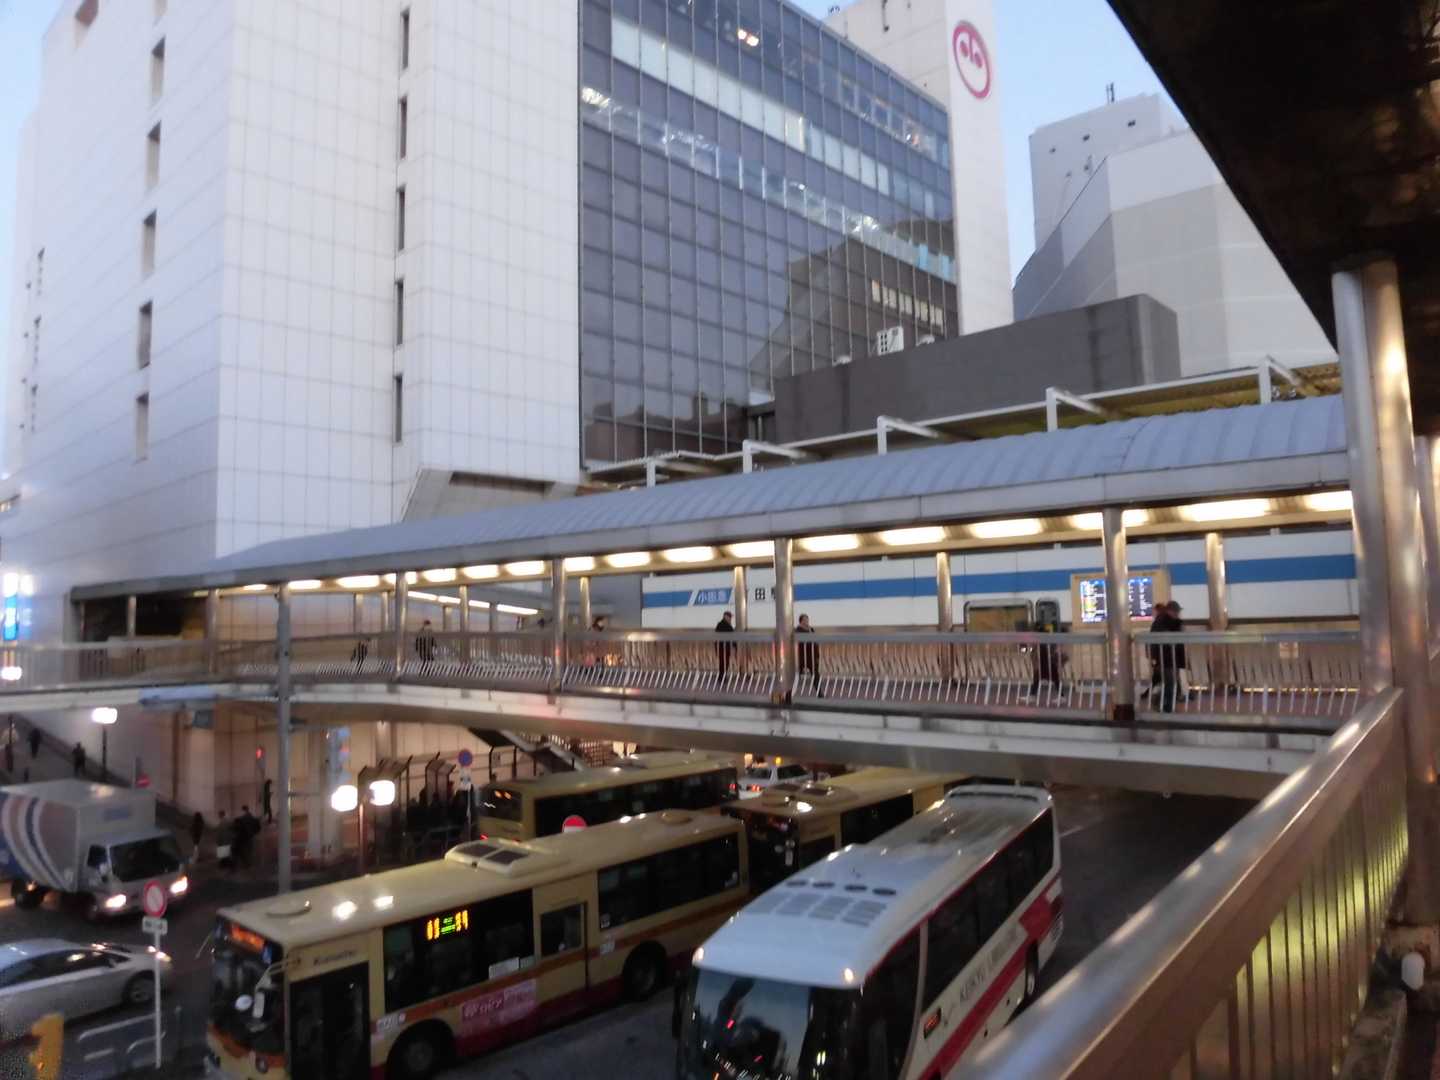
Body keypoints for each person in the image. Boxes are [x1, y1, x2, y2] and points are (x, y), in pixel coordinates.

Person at [1157, 600, 1187, 713]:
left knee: (1169, 682)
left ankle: (1166, 704)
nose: (1178, 614)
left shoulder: (1165, 622)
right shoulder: (1165, 622)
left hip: (1168, 657)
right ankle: (1166, 706)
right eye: (1176, 611)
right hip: (1167, 658)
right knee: (1169, 682)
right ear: (1170, 611)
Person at [796, 614, 822, 696]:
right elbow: (802, 641)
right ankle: (789, 693)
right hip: (803, 656)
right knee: (797, 674)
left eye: (807, 620)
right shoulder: (798, 630)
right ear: (801, 621)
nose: (807, 621)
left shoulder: (811, 629)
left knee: (816, 675)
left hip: (812, 656)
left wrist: (817, 655)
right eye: (805, 620)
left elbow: (814, 641)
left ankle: (819, 693)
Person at [714, 610, 736, 682]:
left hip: (721, 647)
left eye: (730, 617)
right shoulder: (725, 625)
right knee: (724, 662)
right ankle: (722, 677)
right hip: (724, 647)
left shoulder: (720, 625)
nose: (730, 618)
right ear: (725, 617)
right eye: (729, 617)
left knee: (723, 662)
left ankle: (722, 676)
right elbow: (731, 635)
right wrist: (734, 646)